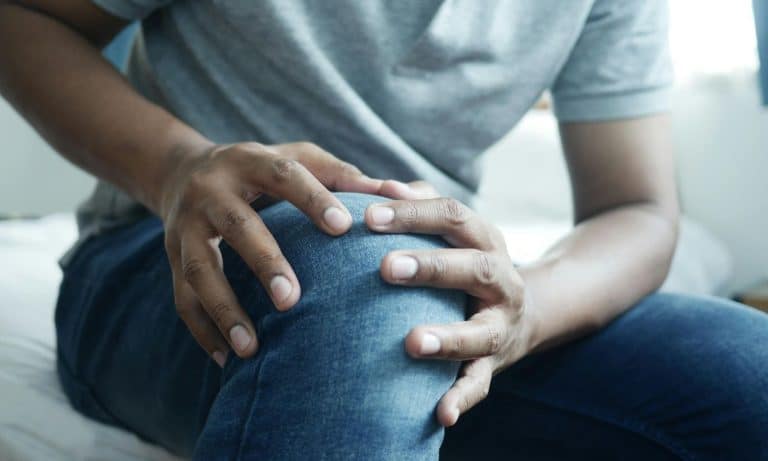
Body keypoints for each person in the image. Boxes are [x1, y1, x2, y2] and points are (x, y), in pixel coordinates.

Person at [1, 1, 766, 459]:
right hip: (168, 271)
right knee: (374, 272)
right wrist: (177, 167)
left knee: (748, 371)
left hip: (420, 302)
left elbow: (636, 208)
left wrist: (524, 309)